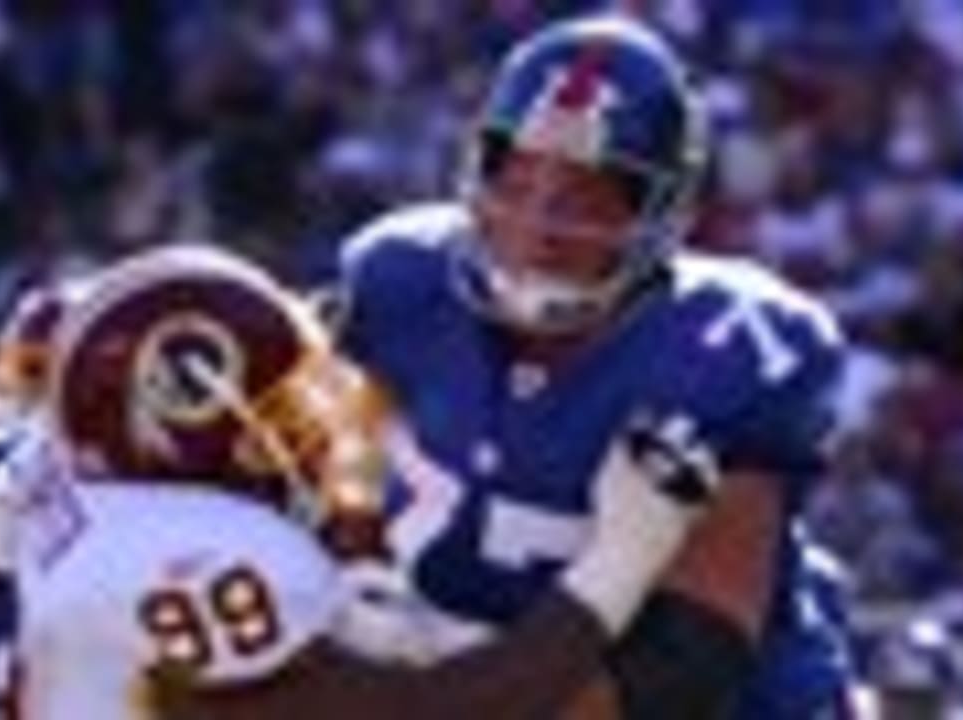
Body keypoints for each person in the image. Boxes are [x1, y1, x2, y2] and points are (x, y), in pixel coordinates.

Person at [336, 13, 854, 717]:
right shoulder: (397, 282)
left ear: (660, 215)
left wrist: (443, 705)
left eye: (583, 198)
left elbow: (686, 666)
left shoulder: (733, 348)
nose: (539, 226)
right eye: (518, 183)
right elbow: (341, 497)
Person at [0, 244, 719, 719]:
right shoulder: (193, 559)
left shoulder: (77, 471)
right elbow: (435, 714)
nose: (311, 427)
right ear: (174, 432)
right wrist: (621, 559)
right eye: (276, 412)